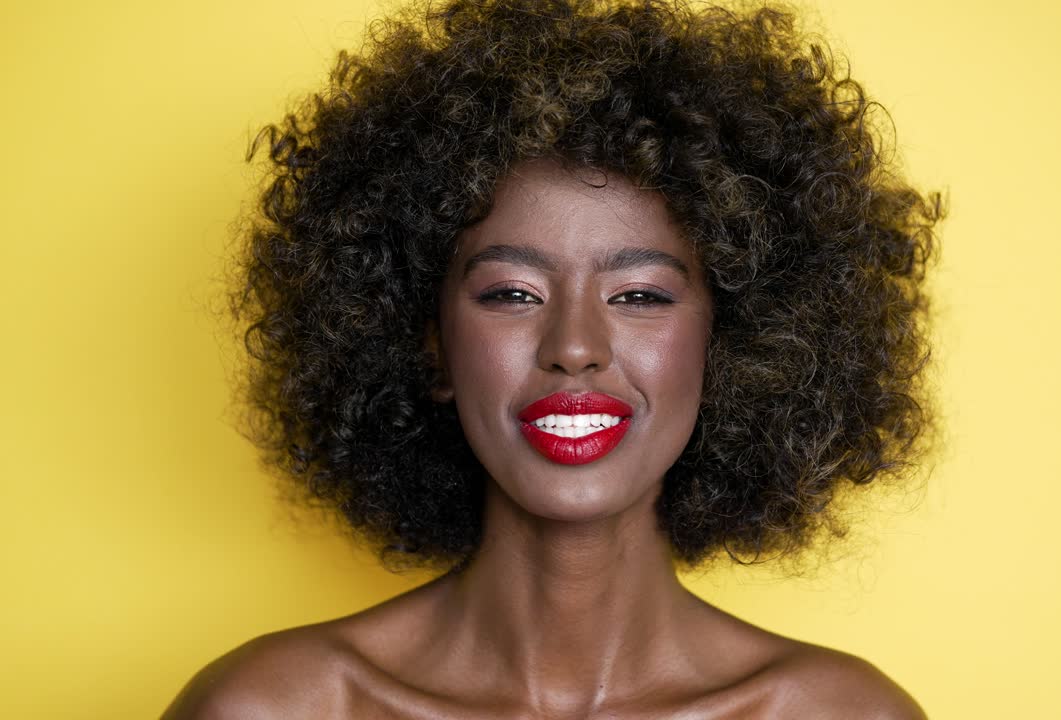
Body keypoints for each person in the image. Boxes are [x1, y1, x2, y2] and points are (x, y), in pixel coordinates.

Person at [163, 0, 944, 716]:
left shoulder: (843, 714)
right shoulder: (275, 708)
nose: (574, 348)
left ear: (733, 346)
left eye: (640, 296)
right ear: (429, 343)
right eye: (512, 293)